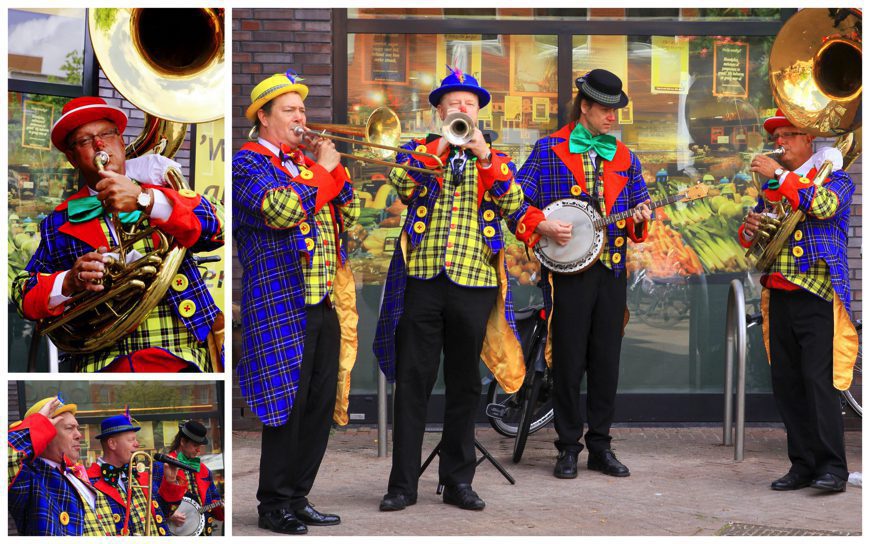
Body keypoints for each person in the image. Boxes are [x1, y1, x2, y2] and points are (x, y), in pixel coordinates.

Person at [374, 66, 526, 512]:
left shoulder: (496, 158)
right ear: (439, 110)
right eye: (454, 103)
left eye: (469, 104)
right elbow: (401, 184)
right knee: (413, 384)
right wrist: (440, 146)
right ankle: (402, 484)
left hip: (474, 284)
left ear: (479, 112)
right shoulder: (419, 150)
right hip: (422, 281)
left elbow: (515, 207)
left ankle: (458, 481)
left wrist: (484, 157)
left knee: (465, 386)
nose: (462, 108)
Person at [11, 96, 224, 373]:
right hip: (102, 361)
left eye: (106, 134)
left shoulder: (163, 190)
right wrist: (69, 281)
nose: (99, 144)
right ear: (72, 158)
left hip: (184, 352)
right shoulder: (57, 223)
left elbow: (216, 227)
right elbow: (22, 291)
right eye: (85, 141)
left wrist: (145, 200)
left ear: (121, 142)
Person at [233, 70, 360, 535]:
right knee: (285, 405)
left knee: (318, 406)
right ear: (263, 118)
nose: (300, 117)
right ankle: (272, 505)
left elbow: (350, 208)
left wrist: (332, 169)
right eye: (289, 110)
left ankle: (298, 496)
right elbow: (281, 210)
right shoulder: (246, 163)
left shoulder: (302, 163)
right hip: (281, 305)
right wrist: (323, 171)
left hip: (323, 301)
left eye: (302, 109)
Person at [511, 69, 651, 480]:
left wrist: (640, 217)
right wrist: (543, 225)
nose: (612, 118)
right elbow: (515, 202)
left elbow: (641, 215)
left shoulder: (625, 157)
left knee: (606, 360)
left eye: (616, 111)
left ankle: (601, 446)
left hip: (611, 271)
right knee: (568, 360)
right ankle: (567, 446)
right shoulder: (547, 149)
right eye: (606, 110)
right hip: (567, 274)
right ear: (585, 107)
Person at [740, 109, 857, 493]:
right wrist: (749, 226)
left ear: (809, 140)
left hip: (818, 295)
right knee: (787, 384)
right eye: (779, 136)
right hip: (779, 294)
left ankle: (833, 469)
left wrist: (778, 174)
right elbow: (751, 240)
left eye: (789, 135)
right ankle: (802, 464)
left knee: (819, 383)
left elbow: (822, 206)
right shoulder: (774, 188)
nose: (781, 142)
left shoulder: (836, 179)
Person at [8, 396, 117, 536]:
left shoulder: (75, 474)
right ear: (45, 434)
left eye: (77, 428)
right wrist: (37, 425)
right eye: (69, 428)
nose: (79, 435)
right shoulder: (29, 477)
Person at [86, 410, 175, 536]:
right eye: (131, 440)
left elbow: (165, 514)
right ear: (112, 443)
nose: (137, 444)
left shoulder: (140, 476)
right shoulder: (88, 482)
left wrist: (170, 481)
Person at [152, 420, 224, 536]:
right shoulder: (162, 466)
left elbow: (214, 499)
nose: (198, 450)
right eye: (195, 445)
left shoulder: (204, 470)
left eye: (200, 446)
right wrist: (169, 515)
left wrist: (221, 506)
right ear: (182, 441)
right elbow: (152, 501)